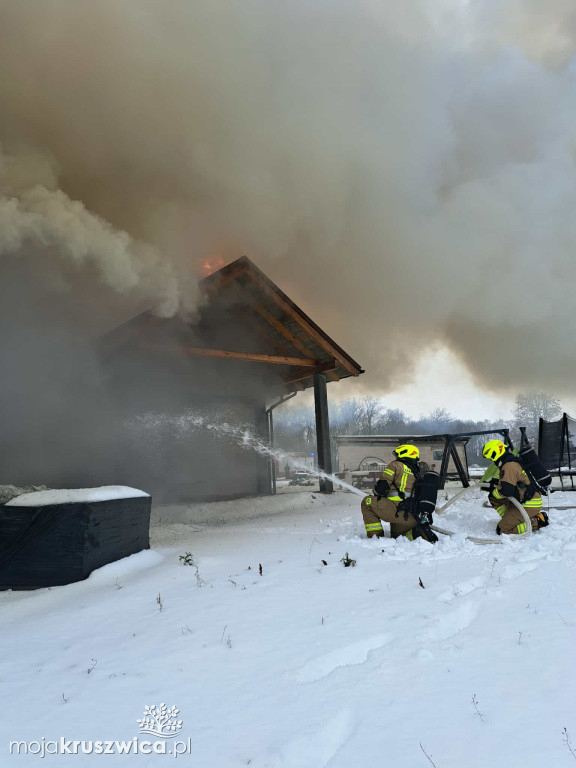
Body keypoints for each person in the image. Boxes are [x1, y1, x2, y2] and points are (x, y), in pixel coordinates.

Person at [360, 444, 438, 542]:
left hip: (398, 511)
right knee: (397, 538)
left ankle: (375, 538)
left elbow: (381, 488)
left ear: (404, 453)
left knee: (367, 502)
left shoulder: (395, 465)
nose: (396, 457)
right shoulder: (417, 473)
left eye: (397, 455)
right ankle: (416, 532)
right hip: (412, 517)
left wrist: (376, 494)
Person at [482, 439, 549, 535]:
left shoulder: (509, 466)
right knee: (493, 498)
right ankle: (510, 518)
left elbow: (506, 491)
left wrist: (493, 490)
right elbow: (512, 482)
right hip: (524, 500)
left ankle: (537, 521)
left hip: (529, 504)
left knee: (503, 530)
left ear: (495, 453)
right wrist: (493, 485)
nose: (492, 461)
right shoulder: (511, 462)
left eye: (491, 458)